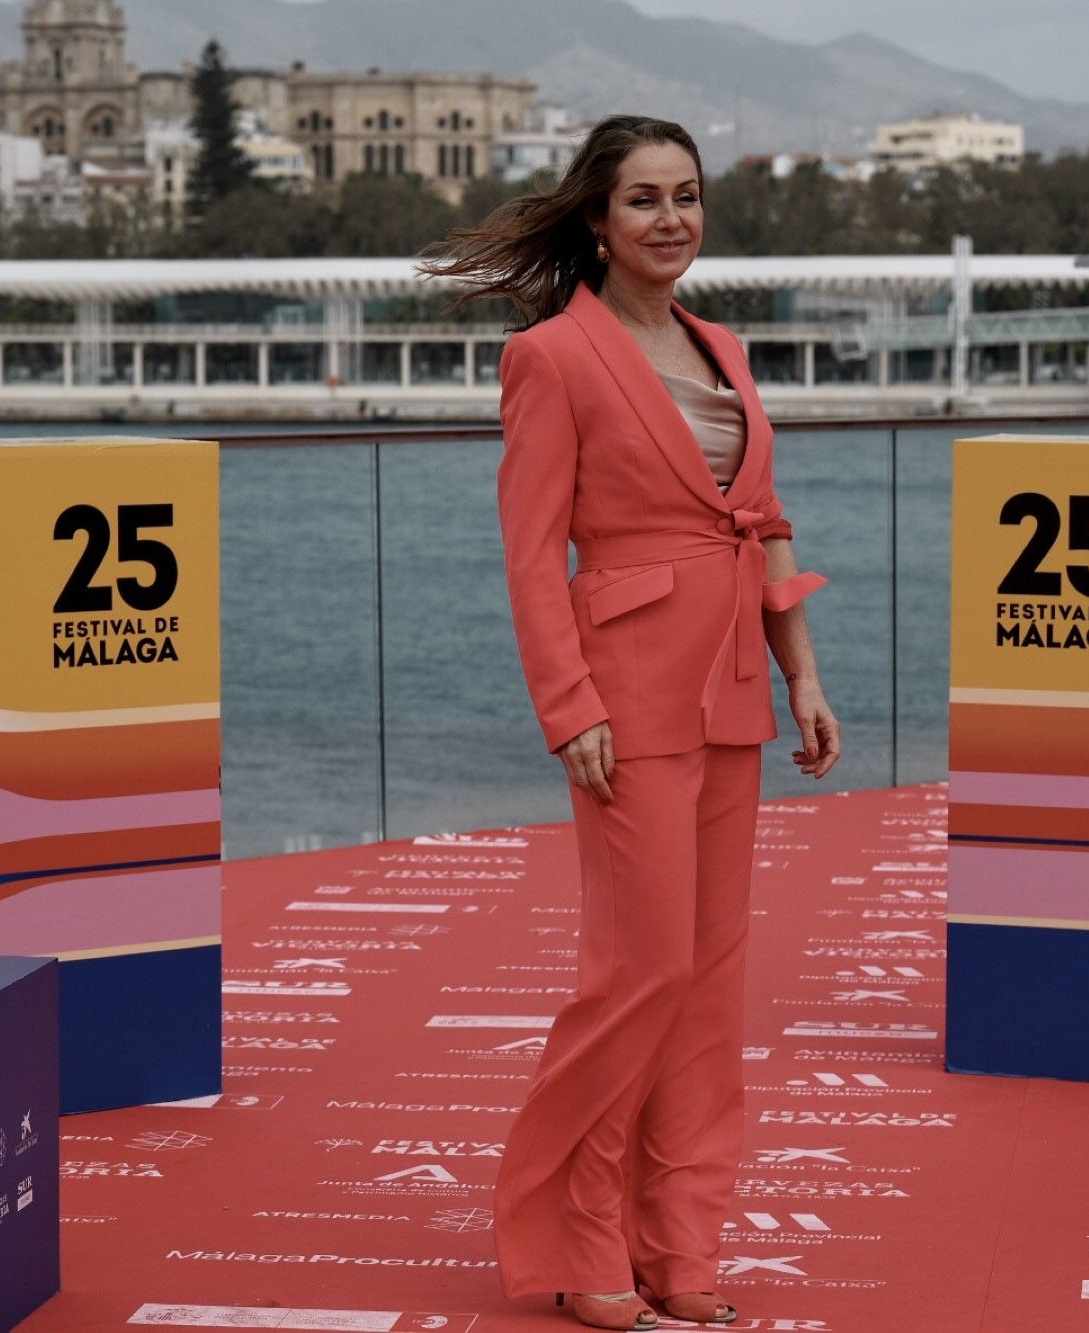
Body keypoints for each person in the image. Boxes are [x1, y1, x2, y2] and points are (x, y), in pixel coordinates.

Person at [420, 114, 841, 1329]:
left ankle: (681, 1247)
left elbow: (761, 523)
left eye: (688, 196)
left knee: (709, 987)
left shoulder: (723, 346)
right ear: (597, 220)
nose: (671, 219)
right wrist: (568, 705)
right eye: (645, 198)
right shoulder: (552, 357)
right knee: (638, 972)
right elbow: (526, 553)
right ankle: (580, 1237)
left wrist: (802, 673)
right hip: (623, 697)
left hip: (733, 692)